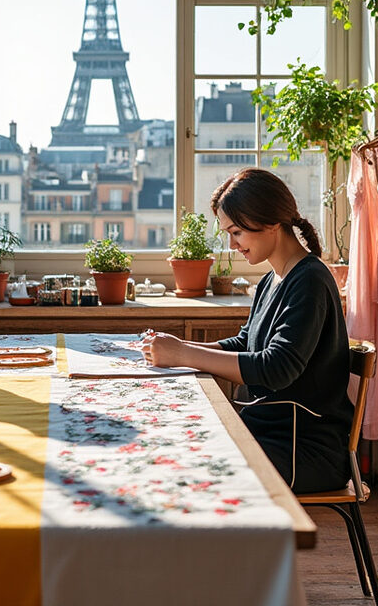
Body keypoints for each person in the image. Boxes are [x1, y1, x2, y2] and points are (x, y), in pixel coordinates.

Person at [139, 168, 353, 494]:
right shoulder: (272, 280)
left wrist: (183, 354)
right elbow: (245, 343)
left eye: (236, 232)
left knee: (182, 463)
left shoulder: (310, 280)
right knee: (172, 441)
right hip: (266, 434)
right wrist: (176, 347)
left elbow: (275, 368)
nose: (232, 244)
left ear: (271, 222)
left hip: (303, 451)